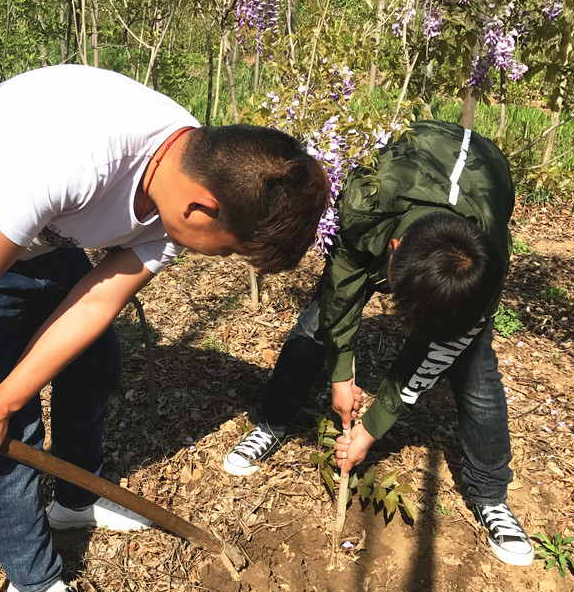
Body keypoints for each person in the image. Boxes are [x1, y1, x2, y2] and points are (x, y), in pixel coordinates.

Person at [0, 64, 328, 592]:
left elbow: (100, 296)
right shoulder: (73, 156)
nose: (219, 259)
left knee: (93, 365)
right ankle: (34, 585)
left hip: (45, 232)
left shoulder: (194, 173)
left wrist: (9, 394)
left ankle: (74, 502)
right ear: (201, 210)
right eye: (228, 250)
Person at [223, 120, 534, 567]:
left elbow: (438, 351)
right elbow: (342, 287)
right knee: (316, 325)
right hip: (395, 204)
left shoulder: (483, 265)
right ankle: (273, 421)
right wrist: (341, 371)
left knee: (475, 369)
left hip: (478, 195)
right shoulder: (365, 201)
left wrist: (371, 428)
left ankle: (491, 496)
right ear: (392, 248)